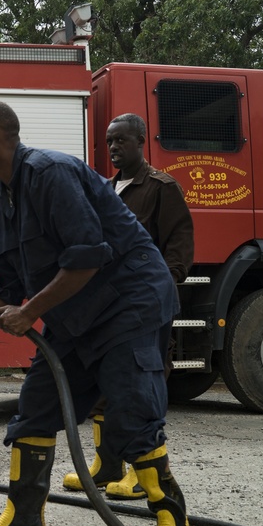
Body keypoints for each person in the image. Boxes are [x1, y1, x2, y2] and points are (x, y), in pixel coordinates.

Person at [0, 101, 192, 526]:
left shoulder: (51, 174)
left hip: (130, 301)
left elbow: (87, 256)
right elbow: (6, 288)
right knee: (37, 408)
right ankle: (24, 520)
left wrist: (29, 313)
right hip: (76, 316)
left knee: (132, 410)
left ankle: (174, 525)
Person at [61, 113, 194, 500]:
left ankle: (143, 475)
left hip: (145, 307)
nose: (114, 148)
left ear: (141, 142)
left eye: (122, 140)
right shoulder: (105, 188)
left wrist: (157, 295)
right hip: (108, 306)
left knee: (142, 389)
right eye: (109, 142)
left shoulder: (161, 188)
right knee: (107, 383)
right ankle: (106, 467)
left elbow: (179, 249)